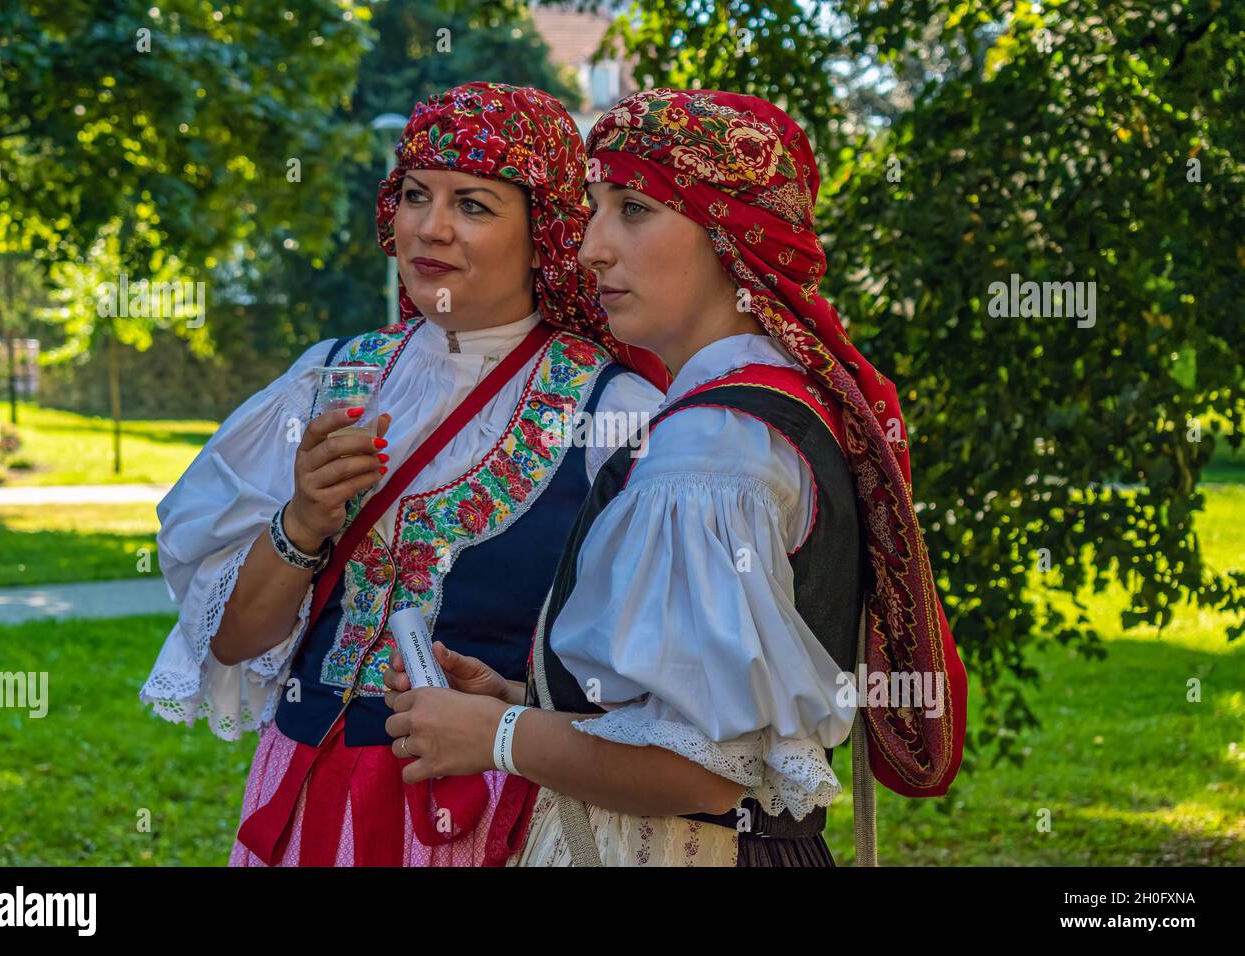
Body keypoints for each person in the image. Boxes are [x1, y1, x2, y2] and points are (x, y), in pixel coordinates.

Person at [381, 87, 968, 866]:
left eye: (632, 208)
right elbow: (717, 720)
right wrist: (530, 700)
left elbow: (698, 767)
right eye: (593, 209)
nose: (591, 247)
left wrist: (495, 737)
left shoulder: (709, 452)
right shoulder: (772, 408)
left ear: (728, 233)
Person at [138, 81, 668, 867]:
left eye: (474, 205)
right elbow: (234, 639)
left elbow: (649, 696)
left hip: (487, 813)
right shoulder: (327, 379)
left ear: (547, 232)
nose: (430, 227)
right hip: (307, 792)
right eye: (416, 194)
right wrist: (302, 522)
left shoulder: (616, 414)